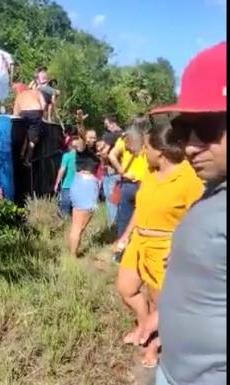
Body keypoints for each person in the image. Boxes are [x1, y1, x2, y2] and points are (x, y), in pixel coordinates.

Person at [128, 41, 226, 385]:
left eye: (207, 129)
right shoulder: (213, 185)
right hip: (179, 375)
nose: (190, 144)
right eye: (187, 128)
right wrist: (165, 315)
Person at [114, 122, 203, 367]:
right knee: (125, 288)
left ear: (161, 152)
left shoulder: (189, 179)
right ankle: (144, 327)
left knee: (161, 303)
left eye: (146, 148)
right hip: (139, 242)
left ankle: (153, 345)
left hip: (164, 247)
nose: (143, 152)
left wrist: (181, 246)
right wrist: (125, 236)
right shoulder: (151, 174)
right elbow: (141, 207)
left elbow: (198, 219)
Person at [109, 118, 151, 247]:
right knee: (144, 219)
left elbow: (111, 155)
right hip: (145, 184)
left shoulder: (124, 139)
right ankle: (138, 247)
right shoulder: (149, 139)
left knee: (124, 219)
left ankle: (121, 250)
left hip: (127, 183)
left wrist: (121, 171)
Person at [65, 138, 100, 255]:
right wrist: (80, 122)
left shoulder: (94, 153)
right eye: (89, 137)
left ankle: (72, 253)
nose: (92, 139)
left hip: (83, 185)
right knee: (78, 227)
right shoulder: (82, 149)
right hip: (85, 187)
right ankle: (72, 256)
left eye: (94, 137)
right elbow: (81, 137)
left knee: (78, 226)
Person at [13, 84, 47, 165]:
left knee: (25, 131)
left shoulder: (20, 95)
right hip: (36, 112)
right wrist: (43, 115)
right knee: (33, 138)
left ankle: (21, 153)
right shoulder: (37, 92)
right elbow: (44, 104)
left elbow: (15, 112)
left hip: (23, 112)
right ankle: (27, 159)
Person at [53, 135, 80, 217]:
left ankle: (65, 224)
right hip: (80, 186)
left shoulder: (67, 156)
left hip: (68, 185)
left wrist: (57, 183)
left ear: (70, 145)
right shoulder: (82, 157)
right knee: (77, 208)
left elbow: (62, 170)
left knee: (65, 208)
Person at [0, 47, 14, 114]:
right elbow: (12, 67)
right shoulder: (8, 55)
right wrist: (11, 79)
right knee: (5, 95)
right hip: (5, 77)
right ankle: (5, 110)